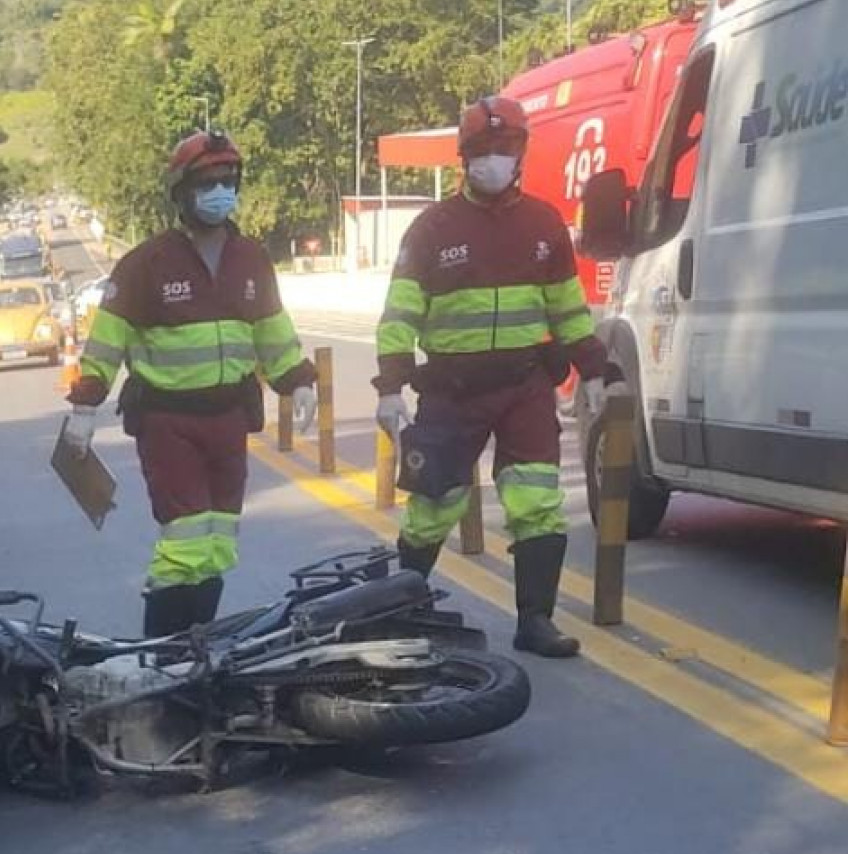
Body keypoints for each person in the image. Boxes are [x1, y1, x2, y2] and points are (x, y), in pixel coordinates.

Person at [373, 95, 619, 659]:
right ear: (464, 158)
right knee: (435, 503)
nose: (493, 160)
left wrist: (593, 367)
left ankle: (535, 621)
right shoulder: (431, 228)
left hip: (524, 387)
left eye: (504, 149)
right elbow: (400, 314)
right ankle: (401, 612)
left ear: (521, 152)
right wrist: (389, 386)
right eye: (482, 151)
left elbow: (567, 307)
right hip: (451, 393)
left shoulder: (543, 223)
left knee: (537, 502)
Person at [64, 131, 315, 633]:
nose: (220, 191)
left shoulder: (251, 258)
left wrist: (297, 380)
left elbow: (273, 329)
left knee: (219, 542)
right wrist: (85, 405)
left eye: (228, 181)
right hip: (168, 421)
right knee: (183, 544)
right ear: (181, 192)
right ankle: (158, 654)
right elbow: (107, 340)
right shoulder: (145, 265)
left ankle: (195, 646)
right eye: (208, 183)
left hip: (229, 418)